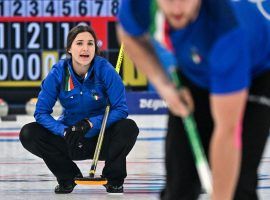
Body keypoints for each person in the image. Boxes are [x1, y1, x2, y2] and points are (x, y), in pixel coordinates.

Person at [117, 0, 270, 199]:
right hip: (196, 69)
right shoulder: (139, 4)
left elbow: (228, 131)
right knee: (180, 183)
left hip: (256, 71)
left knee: (238, 185)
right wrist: (165, 87)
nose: (177, 9)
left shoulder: (225, 28)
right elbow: (129, 35)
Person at [19, 25, 139, 194]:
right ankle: (67, 177)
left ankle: (114, 179)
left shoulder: (106, 71)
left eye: (90, 44)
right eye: (79, 43)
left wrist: (91, 123)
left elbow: (121, 109)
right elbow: (41, 113)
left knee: (128, 127)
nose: (85, 48)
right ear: (69, 48)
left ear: (95, 49)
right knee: (29, 132)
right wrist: (64, 131)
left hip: (101, 139)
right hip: (70, 139)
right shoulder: (58, 73)